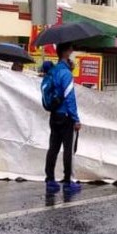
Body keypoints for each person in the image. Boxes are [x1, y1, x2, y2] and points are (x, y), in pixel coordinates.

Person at [44, 42, 81, 195]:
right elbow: (70, 97)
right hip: (66, 115)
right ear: (67, 51)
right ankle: (67, 182)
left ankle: (50, 180)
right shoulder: (66, 73)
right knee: (68, 149)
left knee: (53, 148)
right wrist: (76, 118)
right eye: (71, 48)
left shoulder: (53, 70)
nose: (72, 50)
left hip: (54, 114)